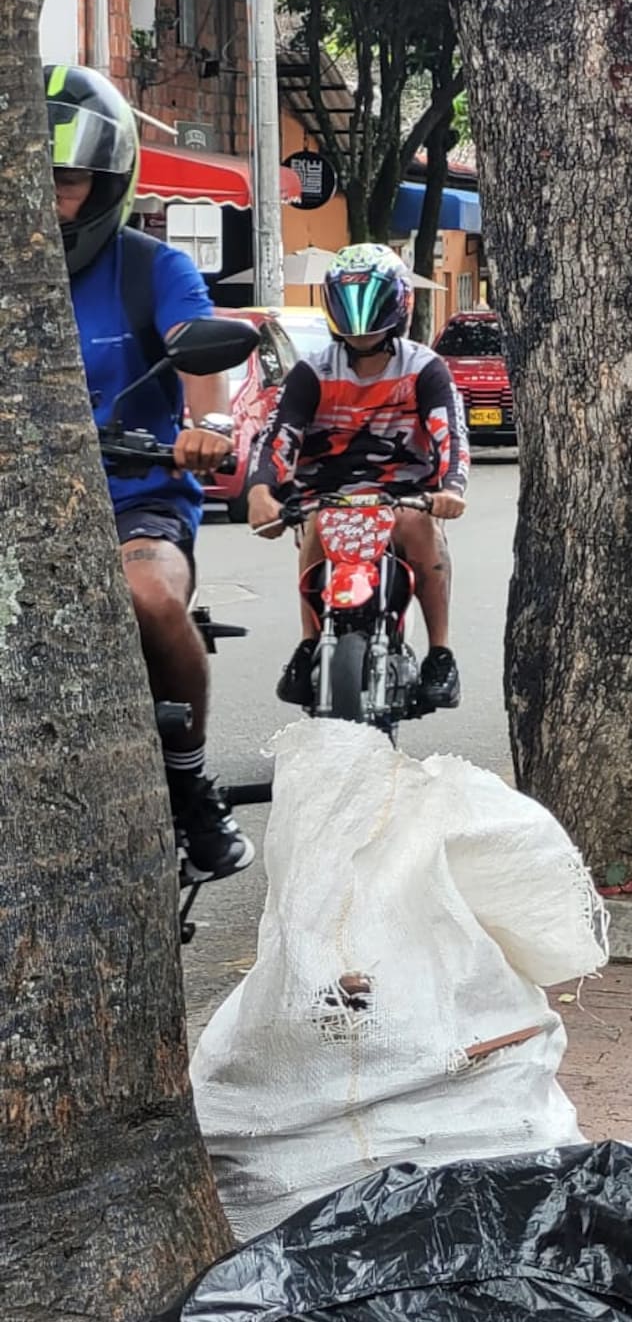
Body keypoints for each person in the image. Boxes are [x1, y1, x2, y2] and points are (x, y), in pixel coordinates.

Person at [47, 63, 252, 879]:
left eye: (66, 181)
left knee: (150, 598)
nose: (50, 199)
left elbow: (198, 349)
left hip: (139, 500)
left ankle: (192, 791)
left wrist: (203, 425)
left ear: (107, 182)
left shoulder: (150, 268)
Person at [246, 243, 467, 710]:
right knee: (316, 528)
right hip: (328, 496)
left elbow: (450, 434)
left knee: (421, 529)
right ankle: (310, 641)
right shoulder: (312, 372)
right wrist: (261, 491)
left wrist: (451, 489)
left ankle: (441, 653)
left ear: (398, 304)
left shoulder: (426, 368)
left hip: (404, 498)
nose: (361, 325)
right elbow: (278, 437)